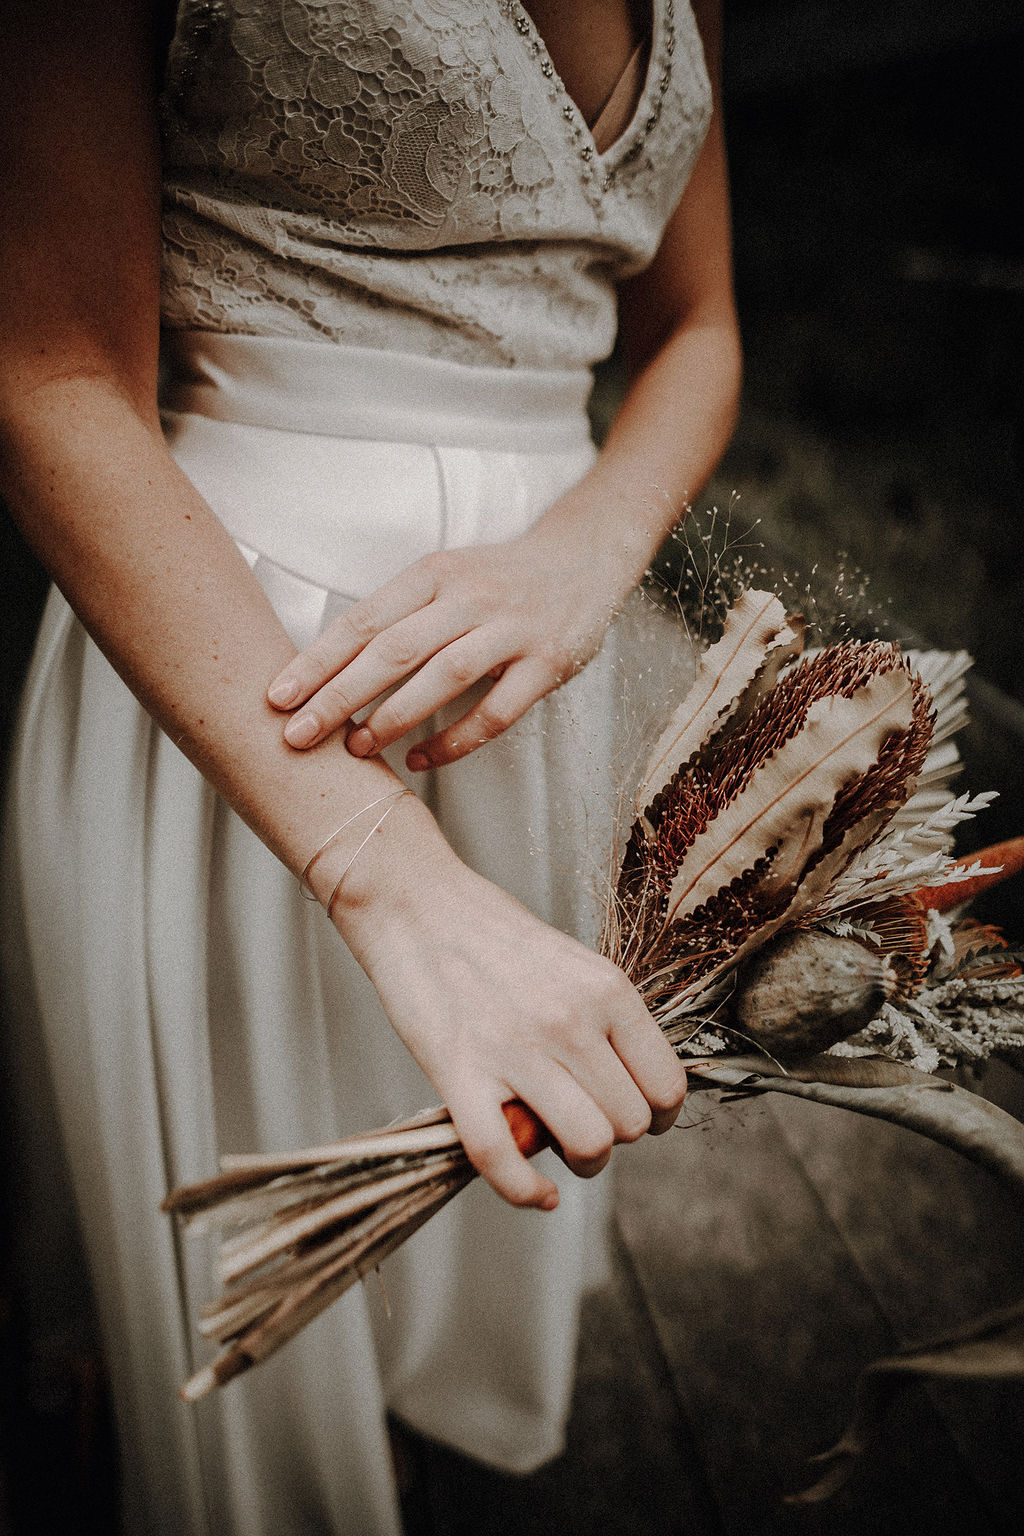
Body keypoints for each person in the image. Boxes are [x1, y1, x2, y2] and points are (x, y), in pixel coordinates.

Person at [0, 1, 740, 1530]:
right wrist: (383, 868)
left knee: (464, 1204)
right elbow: (48, 372)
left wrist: (584, 556)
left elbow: (701, 330)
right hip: (253, 683)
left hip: (539, 687)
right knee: (253, 1312)